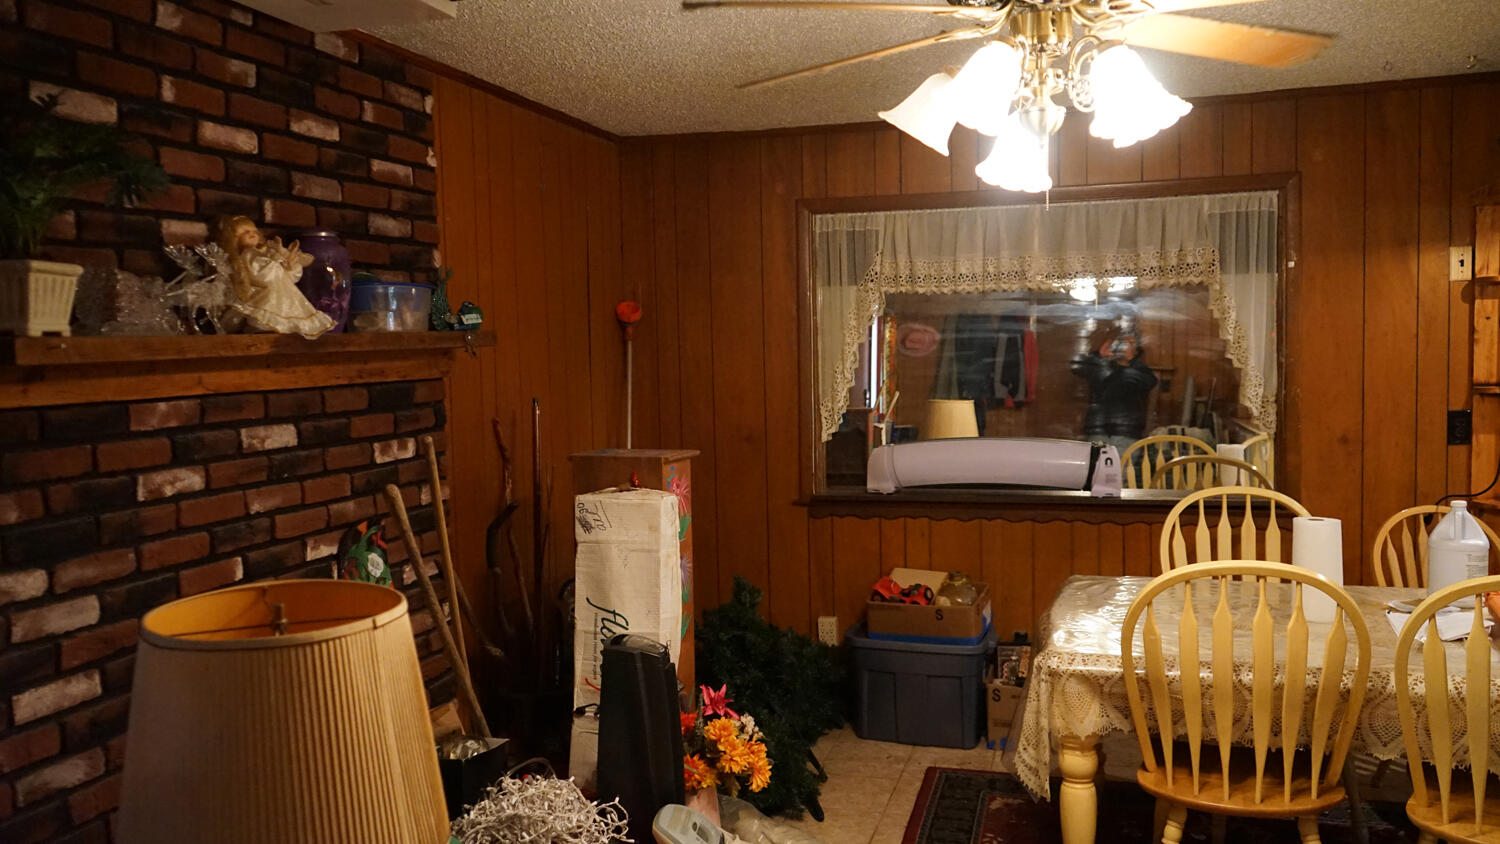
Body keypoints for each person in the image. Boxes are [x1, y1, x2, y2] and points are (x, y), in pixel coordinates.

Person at [212, 215, 334, 338]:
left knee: (289, 311)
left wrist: (290, 264)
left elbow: (291, 277)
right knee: (267, 313)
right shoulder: (248, 254)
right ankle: (264, 329)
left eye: (254, 231)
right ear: (234, 239)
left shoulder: (265, 252)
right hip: (268, 294)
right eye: (245, 232)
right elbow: (262, 275)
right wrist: (277, 258)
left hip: (285, 293)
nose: (251, 234)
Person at [1070, 329, 1157, 453]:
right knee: (1096, 464)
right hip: (1098, 428)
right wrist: (1099, 355)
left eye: (1130, 343)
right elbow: (1076, 366)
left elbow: (1148, 382)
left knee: (1124, 464)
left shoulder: (1140, 371)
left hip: (1126, 431)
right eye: (1121, 342)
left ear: (1136, 350)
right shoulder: (1101, 366)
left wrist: (1130, 362)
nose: (1124, 346)